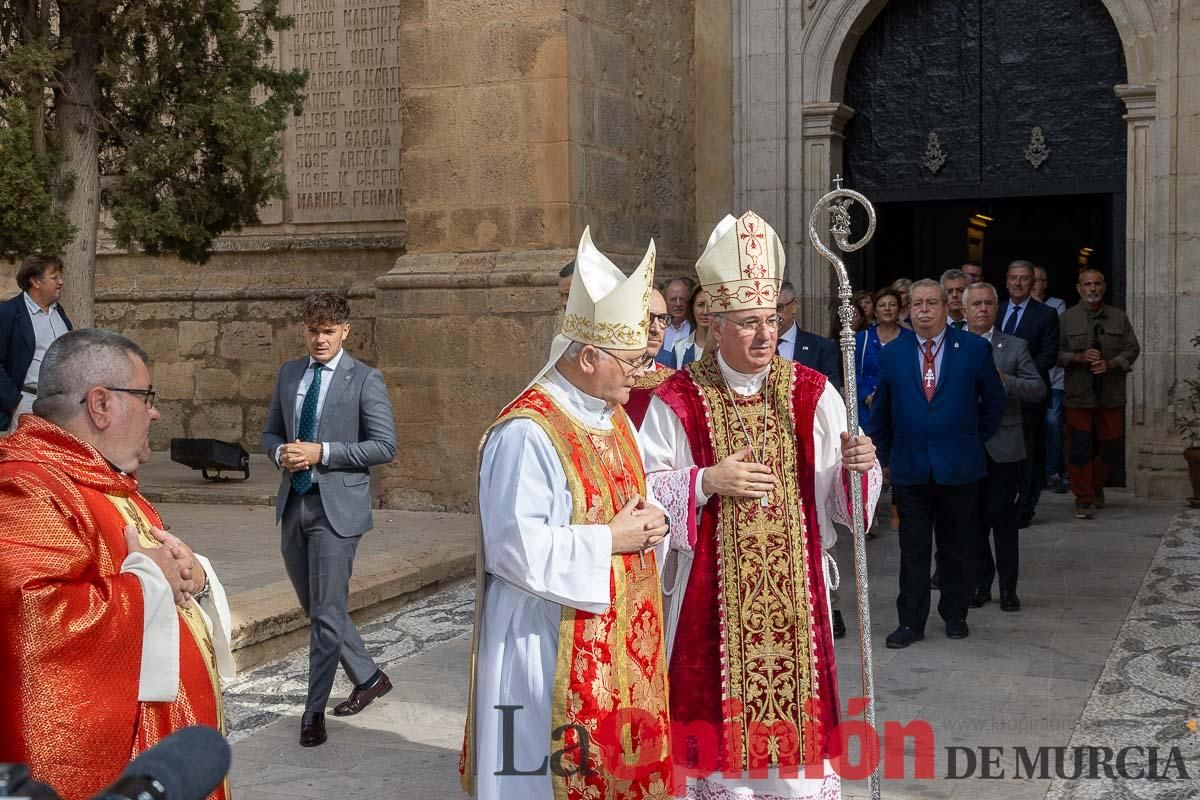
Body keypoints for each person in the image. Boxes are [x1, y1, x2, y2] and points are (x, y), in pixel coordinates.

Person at [641, 211, 880, 800]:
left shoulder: (812, 392)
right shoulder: (678, 398)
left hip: (797, 603)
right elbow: (642, 493)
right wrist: (704, 481)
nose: (763, 336)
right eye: (748, 323)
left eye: (771, 321)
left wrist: (863, 467)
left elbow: (847, 509)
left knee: (796, 773)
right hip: (707, 602)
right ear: (713, 324)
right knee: (715, 760)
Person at [461, 228, 672, 800]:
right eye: (629, 361)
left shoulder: (613, 412)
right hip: (545, 638)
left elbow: (634, 502)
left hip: (622, 638)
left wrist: (652, 522)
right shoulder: (529, 431)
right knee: (545, 776)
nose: (641, 371)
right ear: (586, 356)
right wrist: (610, 538)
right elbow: (514, 548)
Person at [0, 328, 233, 800]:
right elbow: (34, 618)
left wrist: (195, 574)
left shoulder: (104, 479)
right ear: (101, 404)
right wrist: (149, 581)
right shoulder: (28, 487)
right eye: (146, 395)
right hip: (124, 770)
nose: (155, 411)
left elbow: (156, 573)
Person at [262, 293, 398, 747]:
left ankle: (313, 712)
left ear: (345, 331)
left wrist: (324, 453)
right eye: (312, 331)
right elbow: (270, 432)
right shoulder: (288, 374)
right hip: (294, 504)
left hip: (337, 509)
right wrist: (279, 452)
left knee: (324, 614)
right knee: (318, 608)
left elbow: (384, 446)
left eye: (328, 331)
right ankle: (369, 675)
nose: (319, 339)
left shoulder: (365, 379)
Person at [865, 279, 1005, 648]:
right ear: (909, 309)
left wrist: (972, 439)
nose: (924, 309)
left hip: (959, 466)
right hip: (911, 466)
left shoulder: (973, 349)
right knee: (913, 548)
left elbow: (993, 403)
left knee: (957, 545)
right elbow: (881, 412)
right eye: (918, 303)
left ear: (947, 308)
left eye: (932, 302)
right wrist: (880, 457)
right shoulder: (894, 353)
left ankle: (955, 613)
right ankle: (910, 621)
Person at [963, 283, 1044, 613]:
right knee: (973, 519)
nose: (982, 309)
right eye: (976, 304)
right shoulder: (955, 344)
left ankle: (1008, 588)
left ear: (997, 308)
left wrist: (1005, 380)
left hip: (1004, 446)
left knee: (1003, 517)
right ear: (965, 311)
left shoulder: (1014, 346)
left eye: (988, 303)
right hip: (966, 445)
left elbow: (1038, 389)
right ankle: (981, 583)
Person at [1057, 269, 1140, 519]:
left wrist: (1112, 364)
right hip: (1078, 393)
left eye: (1097, 284)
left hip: (1110, 393)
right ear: (1079, 288)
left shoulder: (1118, 317)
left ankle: (1094, 485)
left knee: (1113, 446)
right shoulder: (1066, 318)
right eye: (1087, 284)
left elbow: (1133, 348)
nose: (1092, 289)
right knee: (1079, 446)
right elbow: (1054, 354)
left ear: (1103, 287)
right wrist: (1078, 357)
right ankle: (1083, 497)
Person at [995, 260, 1059, 528]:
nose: (1018, 283)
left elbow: (1049, 353)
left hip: (1029, 393)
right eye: (1013, 278)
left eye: (1024, 278)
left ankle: (1025, 506)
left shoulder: (1045, 314)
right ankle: (1002, 500)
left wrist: (1022, 376)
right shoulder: (995, 311)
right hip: (997, 394)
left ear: (1033, 283)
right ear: (1007, 281)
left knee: (1030, 450)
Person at [0, 254, 73, 432]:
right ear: (35, 281)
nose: (61, 282)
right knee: (26, 459)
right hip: (27, 404)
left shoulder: (59, 312)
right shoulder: (8, 313)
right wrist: (15, 403)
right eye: (54, 277)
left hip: (61, 405)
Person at [853, 287, 913, 429]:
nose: (887, 309)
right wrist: (867, 395)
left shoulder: (910, 339)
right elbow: (853, 372)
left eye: (892, 304)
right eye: (882, 305)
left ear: (899, 310)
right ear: (875, 311)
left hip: (900, 409)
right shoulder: (862, 338)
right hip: (867, 411)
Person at [1033, 266, 1068, 492]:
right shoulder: (1010, 309)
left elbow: (1058, 338)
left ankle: (1052, 471)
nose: (1035, 284)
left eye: (1039, 280)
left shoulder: (1056, 305)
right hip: (1023, 382)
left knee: (1053, 423)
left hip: (1053, 378)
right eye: (1031, 279)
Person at [777, 280, 843, 392]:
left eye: (778, 307)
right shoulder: (751, 346)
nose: (772, 314)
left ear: (793, 306)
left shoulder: (821, 347)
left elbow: (831, 394)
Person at [627, 288, 674, 426]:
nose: (656, 329)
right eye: (648, 317)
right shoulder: (605, 378)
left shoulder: (673, 382)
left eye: (663, 319)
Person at [667, 283, 712, 369]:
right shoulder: (679, 348)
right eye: (700, 305)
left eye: (710, 305)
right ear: (692, 308)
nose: (705, 312)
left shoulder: (726, 348)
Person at [662, 276, 694, 352]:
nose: (678, 304)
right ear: (665, 301)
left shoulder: (697, 330)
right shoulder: (657, 329)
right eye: (673, 299)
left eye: (682, 299)